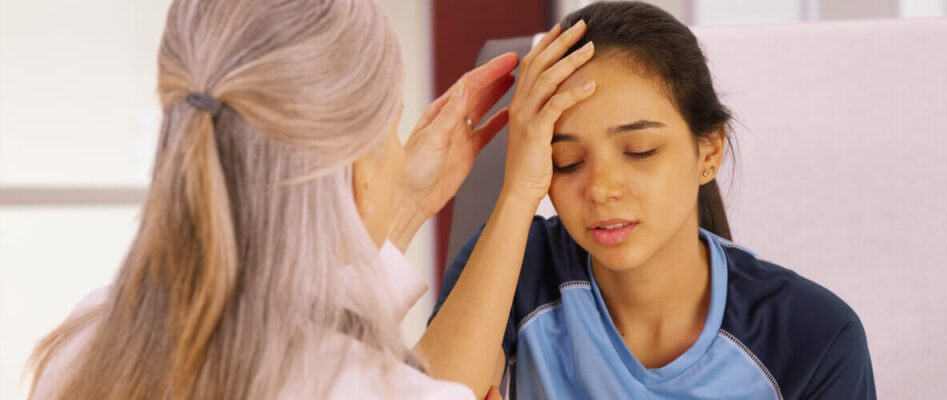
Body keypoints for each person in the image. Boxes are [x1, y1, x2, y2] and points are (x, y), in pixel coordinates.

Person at [27, 0, 523, 398]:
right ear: (360, 169)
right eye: (391, 130)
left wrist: (407, 203)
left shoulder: (85, 343)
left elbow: (280, 326)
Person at [429, 2, 877, 399]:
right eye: (566, 160)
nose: (602, 189)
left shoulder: (813, 336)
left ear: (709, 150)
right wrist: (517, 192)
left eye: (640, 151)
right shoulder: (517, 270)